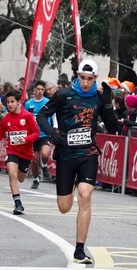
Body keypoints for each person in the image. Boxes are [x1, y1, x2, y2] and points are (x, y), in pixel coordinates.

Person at [37, 59, 120, 264]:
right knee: (64, 207)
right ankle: (71, 186)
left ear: (95, 79)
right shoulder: (64, 95)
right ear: (77, 76)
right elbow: (41, 116)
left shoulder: (99, 98)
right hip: (66, 155)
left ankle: (80, 249)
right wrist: (53, 135)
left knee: (85, 195)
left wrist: (108, 103)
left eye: (89, 79)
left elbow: (113, 127)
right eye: (82, 78)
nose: (85, 83)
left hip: (88, 153)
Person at [0, 89, 39, 214]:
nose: (10, 104)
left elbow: (36, 133)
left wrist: (25, 139)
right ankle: (18, 204)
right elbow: (0, 133)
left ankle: (25, 170)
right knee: (12, 173)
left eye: (12, 102)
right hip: (12, 151)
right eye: (8, 102)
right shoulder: (6, 118)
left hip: (26, 153)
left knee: (21, 178)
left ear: (18, 102)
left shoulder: (27, 116)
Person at [24, 80, 53, 189]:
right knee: (34, 160)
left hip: (44, 133)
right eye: (38, 89)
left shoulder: (47, 102)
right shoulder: (28, 104)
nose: (40, 91)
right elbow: (24, 118)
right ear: (34, 90)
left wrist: (53, 129)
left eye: (42, 90)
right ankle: (36, 178)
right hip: (33, 135)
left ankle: (45, 166)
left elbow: (53, 115)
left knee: (45, 154)